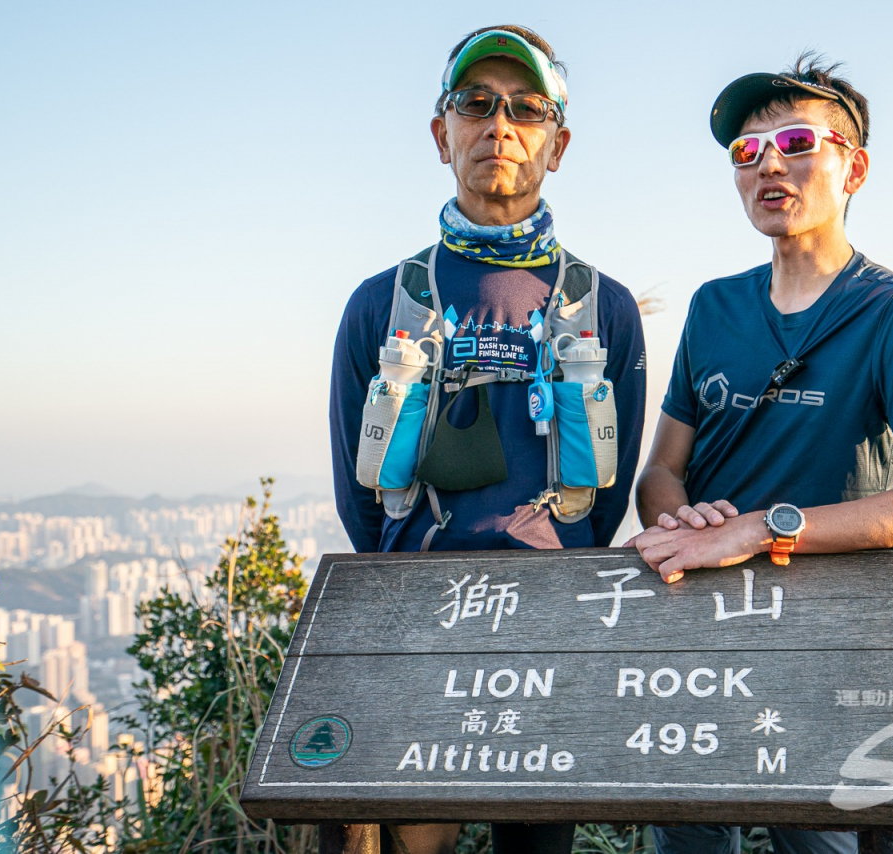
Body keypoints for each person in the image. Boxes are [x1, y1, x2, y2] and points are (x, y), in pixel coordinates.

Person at [628, 55, 893, 854]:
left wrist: (759, 528)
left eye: (795, 142)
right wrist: (680, 519)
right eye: (747, 153)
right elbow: (661, 470)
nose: (769, 165)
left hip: (833, 638)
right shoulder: (714, 306)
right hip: (701, 640)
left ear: (852, 167)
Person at [330, 24, 646, 854]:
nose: (498, 125)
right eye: (475, 104)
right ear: (442, 134)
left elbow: (606, 500)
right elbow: (357, 496)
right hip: (416, 616)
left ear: (558, 143)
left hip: (552, 619)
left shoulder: (600, 306)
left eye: (526, 108)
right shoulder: (383, 302)